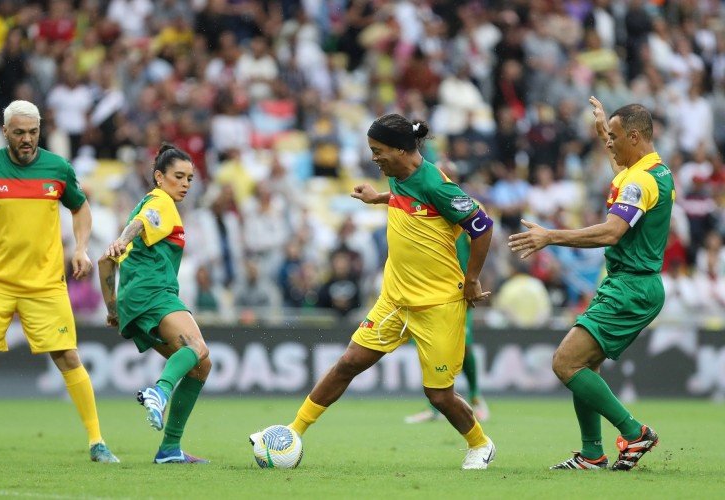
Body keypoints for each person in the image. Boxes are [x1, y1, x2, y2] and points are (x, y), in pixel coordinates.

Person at [255, 114, 496, 469]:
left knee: (439, 395)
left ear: (402, 149)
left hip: (438, 305)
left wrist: (472, 278)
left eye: (378, 151)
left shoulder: (436, 184)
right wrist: (377, 198)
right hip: (395, 301)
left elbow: (483, 226)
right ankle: (293, 431)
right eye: (372, 150)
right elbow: (406, 199)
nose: (374, 158)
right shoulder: (399, 176)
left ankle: (480, 444)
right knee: (348, 362)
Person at [0, 100, 118, 464]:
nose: (27, 139)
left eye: (33, 132)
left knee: (68, 355)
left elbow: (81, 208)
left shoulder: (58, 168)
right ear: (5, 132)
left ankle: (97, 442)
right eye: (19, 133)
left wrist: (80, 248)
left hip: (44, 283)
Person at [508, 99, 673, 471]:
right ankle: (592, 454)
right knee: (583, 365)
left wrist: (550, 236)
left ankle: (635, 432)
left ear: (634, 136)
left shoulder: (640, 181)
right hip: (631, 283)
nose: (608, 143)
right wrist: (603, 127)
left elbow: (613, 232)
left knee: (565, 363)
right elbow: (621, 163)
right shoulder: (655, 170)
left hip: (630, 286)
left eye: (614, 137)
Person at [98, 143, 211, 464]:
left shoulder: (148, 204)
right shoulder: (160, 202)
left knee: (200, 366)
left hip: (133, 301)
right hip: (154, 293)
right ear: (159, 177)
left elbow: (104, 264)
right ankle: (159, 392)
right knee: (198, 348)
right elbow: (137, 226)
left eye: (190, 178)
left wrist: (113, 310)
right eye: (179, 176)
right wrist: (123, 237)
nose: (186, 184)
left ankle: (169, 449)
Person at [404, 232, 490, 424]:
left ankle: (475, 397)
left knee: (464, 345)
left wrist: (473, 280)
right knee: (429, 346)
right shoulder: (427, 210)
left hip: (459, 292)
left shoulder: (466, 207)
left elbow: (482, 240)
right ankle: (435, 406)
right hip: (430, 291)